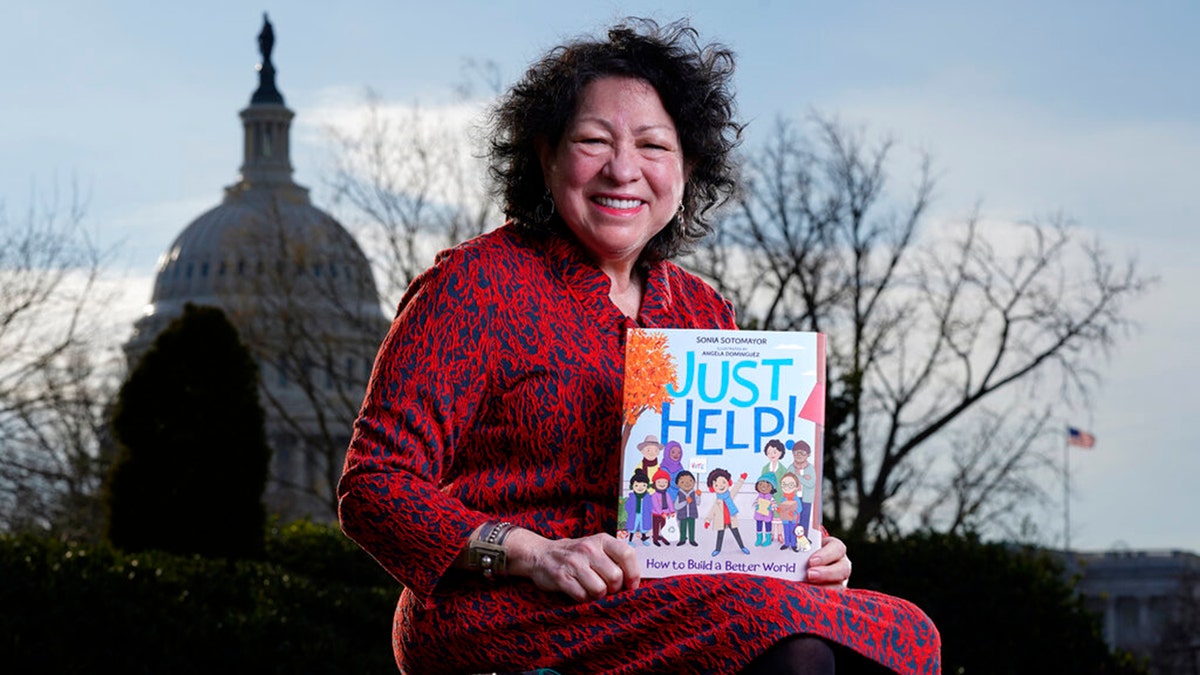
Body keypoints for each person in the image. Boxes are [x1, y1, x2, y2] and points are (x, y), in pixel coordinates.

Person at [337, 17, 941, 675]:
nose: (622, 169)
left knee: (909, 633)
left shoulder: (702, 309)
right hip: (505, 605)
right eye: (593, 140)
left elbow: (729, 502)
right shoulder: (476, 284)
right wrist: (529, 550)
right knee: (781, 635)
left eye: (653, 146)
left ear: (687, 168)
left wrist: (801, 548)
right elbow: (374, 487)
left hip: (679, 601)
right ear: (546, 156)